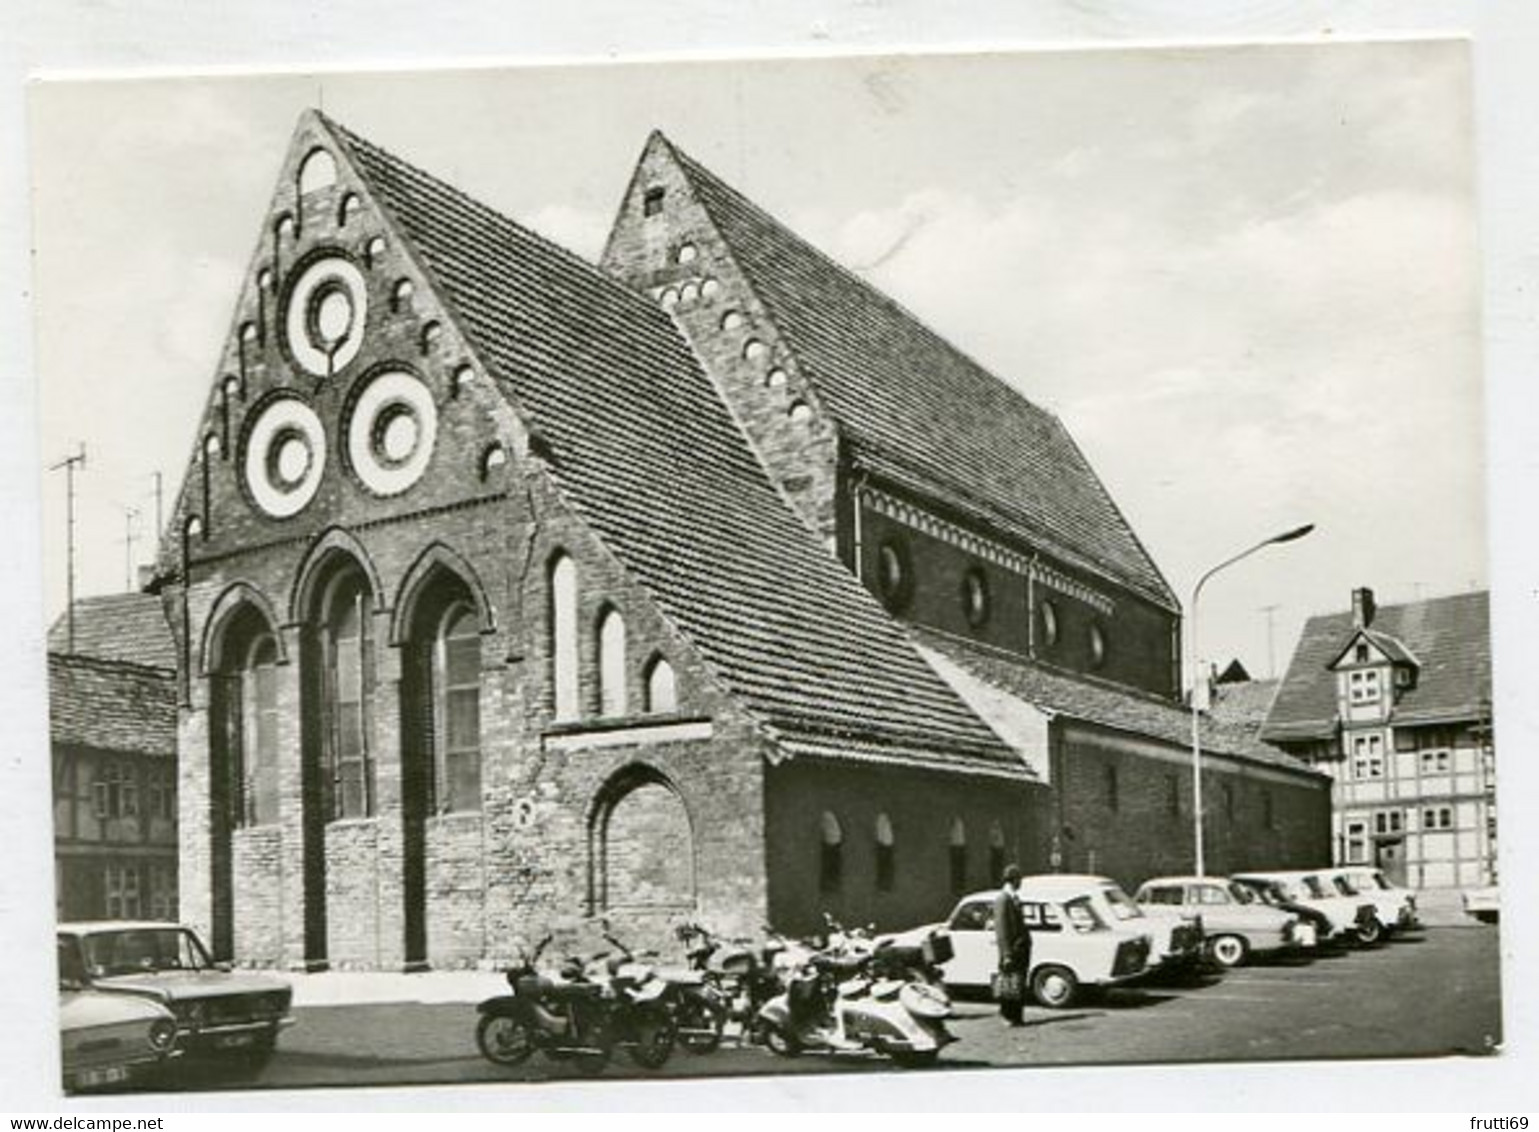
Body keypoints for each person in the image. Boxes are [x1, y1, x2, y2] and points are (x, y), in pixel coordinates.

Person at [993, 864, 1031, 1025]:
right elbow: (1002, 928)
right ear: (1013, 880)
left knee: (1018, 982)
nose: (1020, 882)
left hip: (1020, 949)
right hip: (1012, 950)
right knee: (1010, 982)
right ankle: (1009, 1015)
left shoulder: (1013, 897)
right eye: (1019, 879)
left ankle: (1016, 1016)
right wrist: (1007, 953)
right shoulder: (1003, 899)